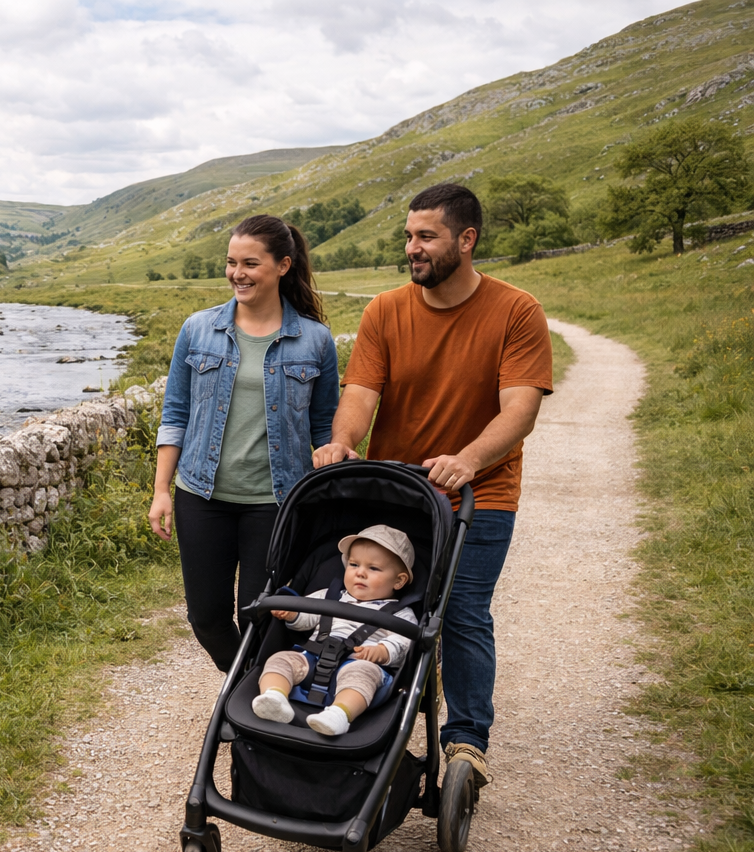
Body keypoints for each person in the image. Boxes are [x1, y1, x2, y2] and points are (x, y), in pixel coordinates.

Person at [314, 183, 553, 788]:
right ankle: (365, 715)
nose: (412, 248)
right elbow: (361, 394)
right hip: (401, 492)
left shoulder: (516, 311)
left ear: (466, 240)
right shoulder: (386, 311)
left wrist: (469, 459)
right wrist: (344, 443)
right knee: (386, 609)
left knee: (463, 612)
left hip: (481, 492)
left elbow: (519, 408)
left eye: (426, 237)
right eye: (408, 237)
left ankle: (467, 742)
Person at [148, 214, 339, 672]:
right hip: (201, 495)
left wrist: (327, 503)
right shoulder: (198, 329)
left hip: (276, 502)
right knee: (206, 617)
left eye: (250, 263)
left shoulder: (315, 340)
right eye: (231, 262)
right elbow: (175, 414)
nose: (237, 273)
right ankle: (247, 689)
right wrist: (160, 491)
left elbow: (325, 430)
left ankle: (247, 709)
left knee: (259, 617)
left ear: (283, 266)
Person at [253, 526, 418, 737]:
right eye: (354, 564)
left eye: (374, 568)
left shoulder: (400, 613)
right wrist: (292, 615)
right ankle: (274, 697)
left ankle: (339, 714)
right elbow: (307, 617)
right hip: (313, 658)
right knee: (281, 659)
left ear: (399, 580)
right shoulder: (329, 596)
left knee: (361, 674)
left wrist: (383, 651)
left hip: (359, 663)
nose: (360, 572)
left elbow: (404, 642)